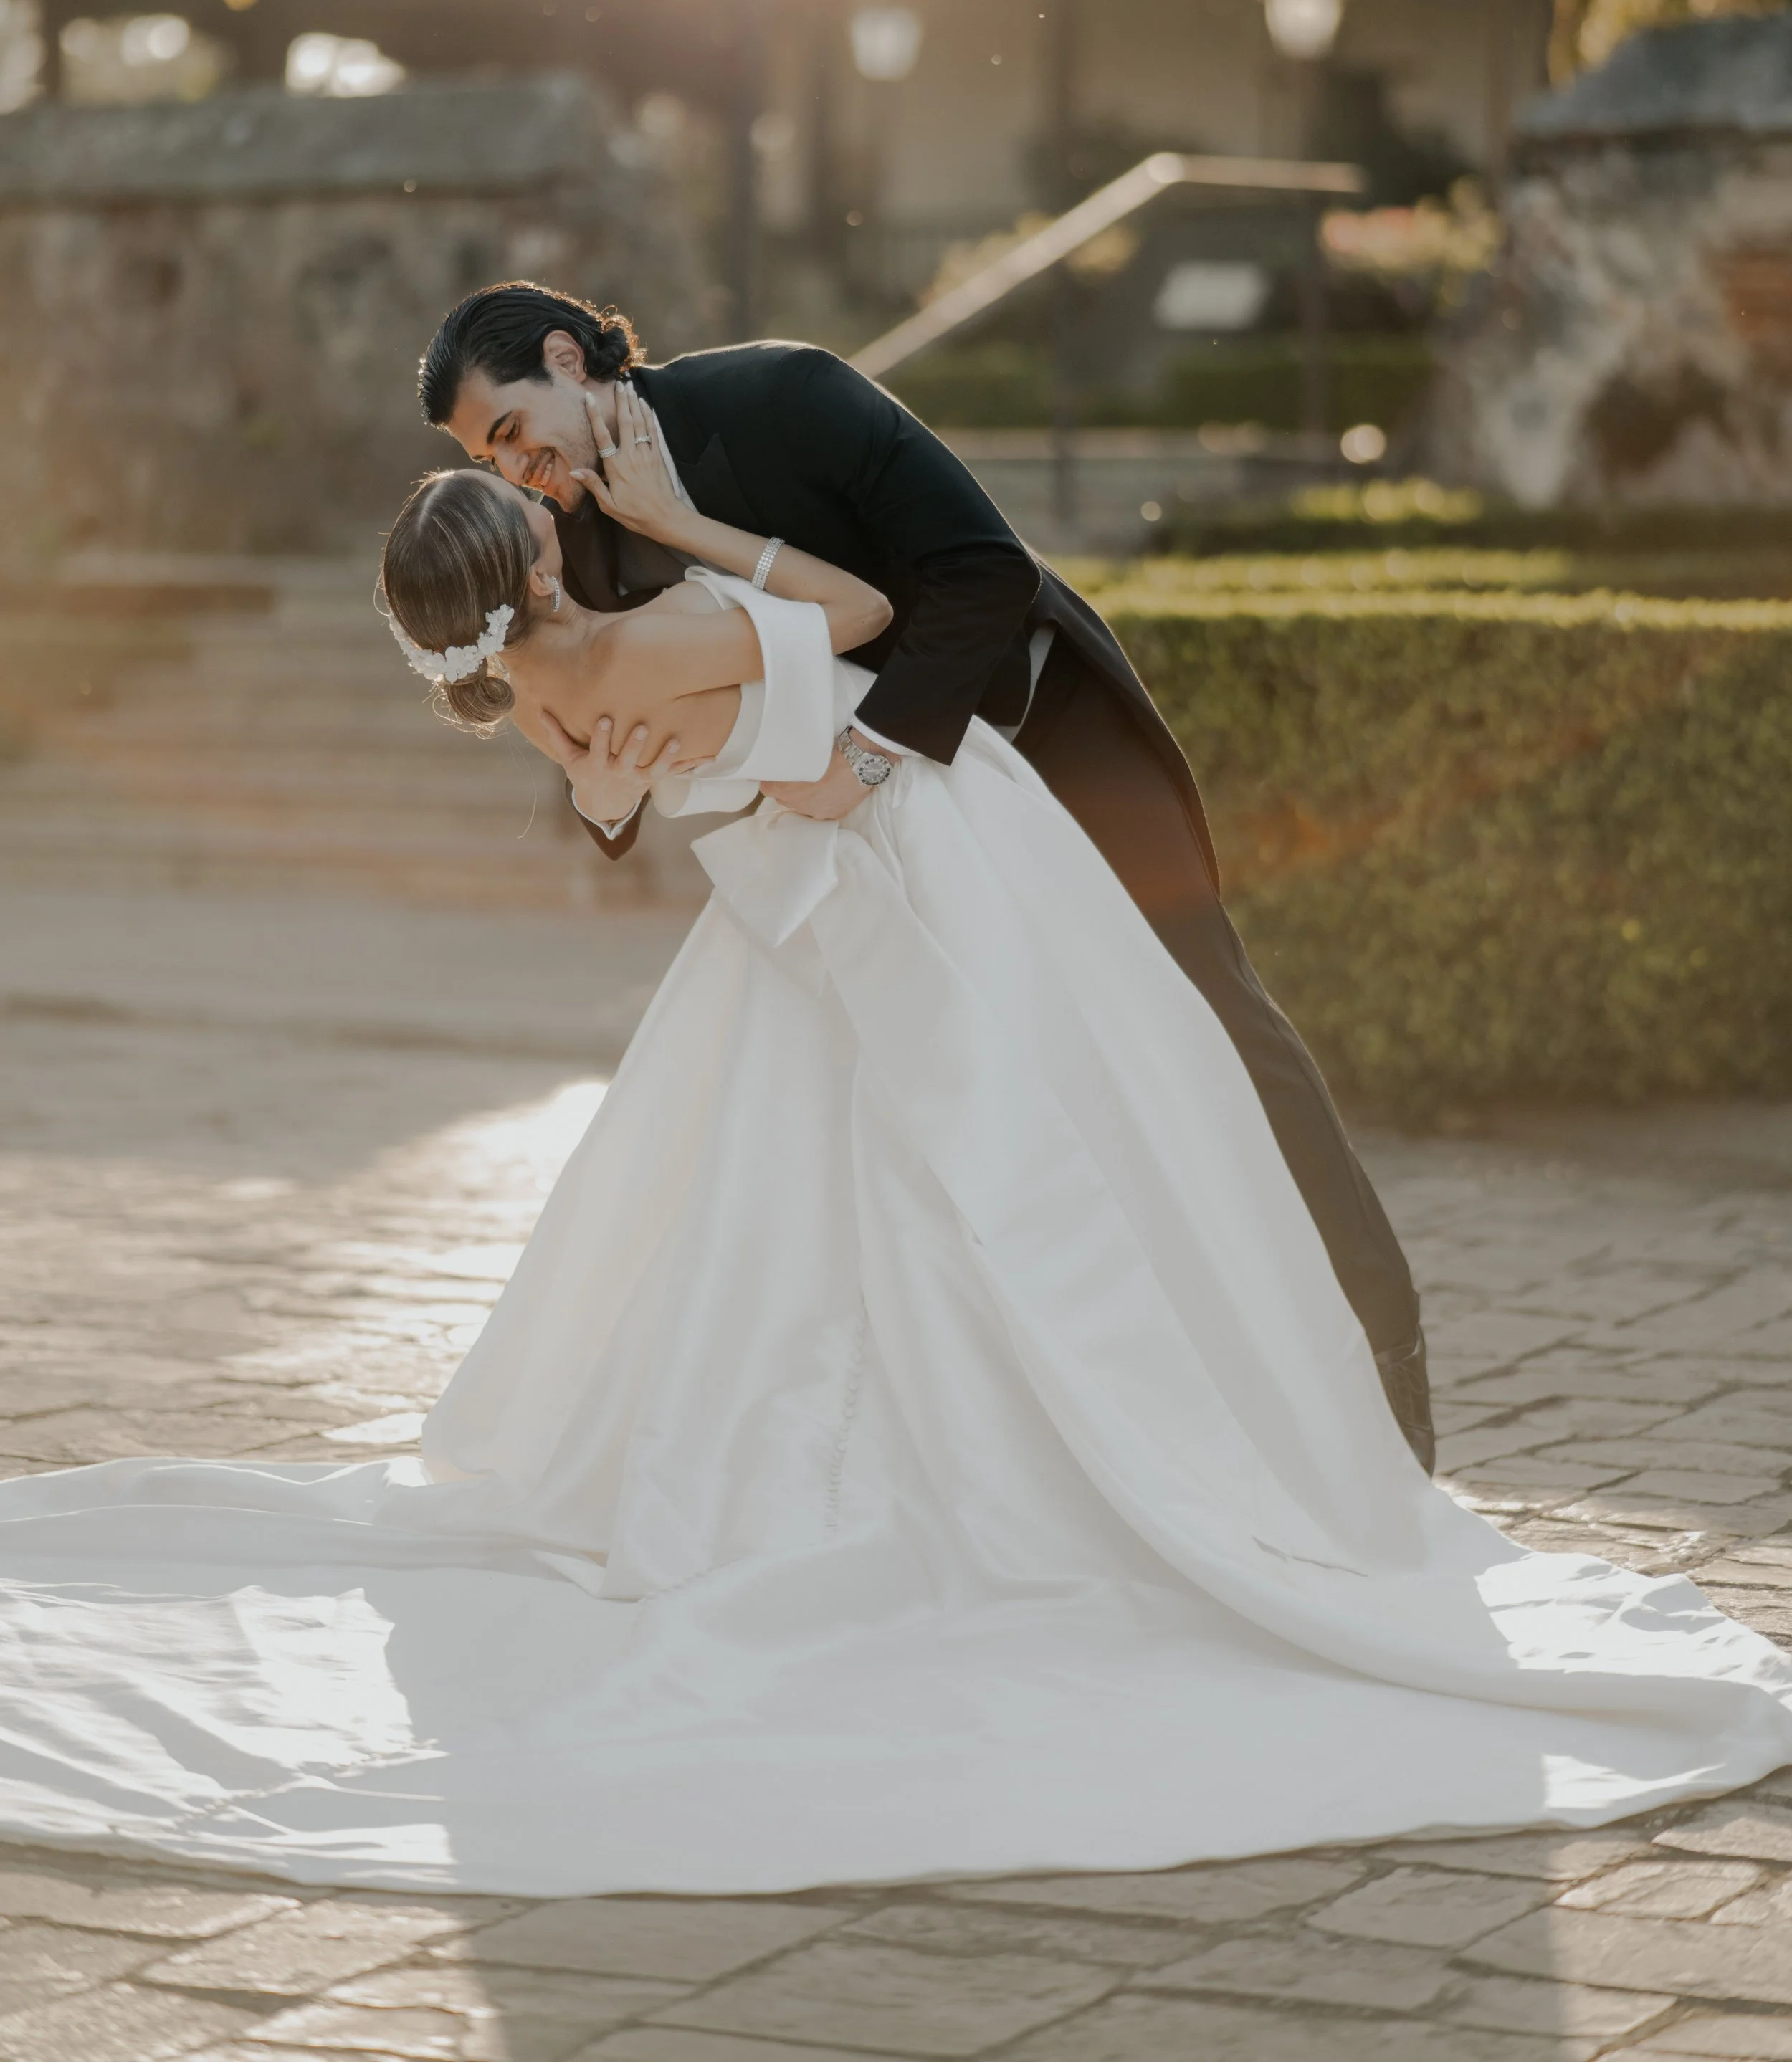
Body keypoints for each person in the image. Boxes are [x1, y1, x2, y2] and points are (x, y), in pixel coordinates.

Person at [0, 439, 1781, 1899]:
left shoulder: (542, 698)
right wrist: (692, 533)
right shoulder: (650, 632)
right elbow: (860, 612)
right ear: (527, 563)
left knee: (812, 1234)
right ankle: (1074, 1480)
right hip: (932, 874)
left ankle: (874, 1484)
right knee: (1051, 1171)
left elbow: (634, 803)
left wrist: (666, 779)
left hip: (790, 932)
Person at [419, 280, 1437, 1468]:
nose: (514, 469)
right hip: (881, 844)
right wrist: (601, 806)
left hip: (1044, 732)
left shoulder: (783, 393)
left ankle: (1380, 1345)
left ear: (567, 358)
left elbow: (984, 574)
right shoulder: (570, 546)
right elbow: (610, 740)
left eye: (509, 430)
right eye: (486, 456)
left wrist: (865, 752)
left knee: (1207, 1017)